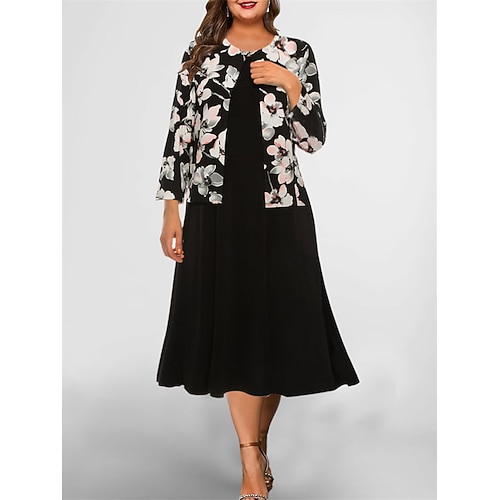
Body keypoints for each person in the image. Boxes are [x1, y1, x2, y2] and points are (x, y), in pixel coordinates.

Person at [155, 1, 360, 499]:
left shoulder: (296, 53)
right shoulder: (201, 55)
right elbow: (179, 134)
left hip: (281, 209)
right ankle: (250, 461)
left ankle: (258, 443)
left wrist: (292, 87)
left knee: (280, 328)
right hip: (215, 211)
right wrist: (170, 210)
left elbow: (313, 140)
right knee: (234, 326)